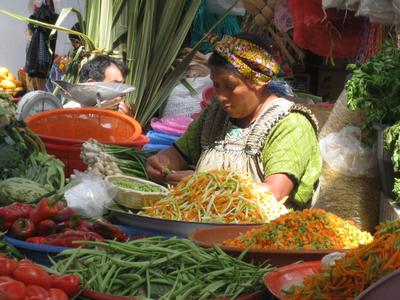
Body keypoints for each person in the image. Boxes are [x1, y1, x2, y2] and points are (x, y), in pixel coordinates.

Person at [146, 33, 322, 208]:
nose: (221, 96)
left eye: (229, 86)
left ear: (258, 81)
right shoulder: (215, 115)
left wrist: (204, 184)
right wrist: (162, 162)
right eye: (216, 85)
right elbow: (179, 153)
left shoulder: (290, 123)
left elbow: (274, 192)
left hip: (261, 230)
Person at [63, 55, 134, 115]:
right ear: (90, 86)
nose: (120, 96)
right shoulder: (67, 116)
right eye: (115, 86)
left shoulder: (119, 118)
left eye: (122, 87)